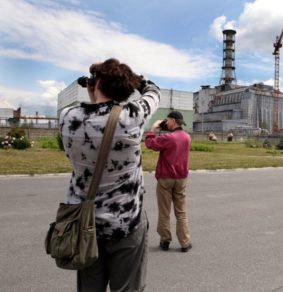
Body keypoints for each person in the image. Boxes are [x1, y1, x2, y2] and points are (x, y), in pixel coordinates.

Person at [59, 58, 160, 292]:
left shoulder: (68, 117)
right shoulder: (132, 116)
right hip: (125, 223)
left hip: (84, 225)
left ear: (98, 82)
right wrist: (135, 80)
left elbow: (95, 113)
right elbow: (153, 91)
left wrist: (93, 89)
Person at [145, 111, 192, 252]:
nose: (166, 122)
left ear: (172, 120)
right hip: (181, 178)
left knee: (164, 212)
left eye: (167, 120)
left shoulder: (168, 138)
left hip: (166, 178)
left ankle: (165, 240)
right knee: (181, 212)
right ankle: (185, 242)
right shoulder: (187, 137)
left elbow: (150, 144)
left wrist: (153, 128)